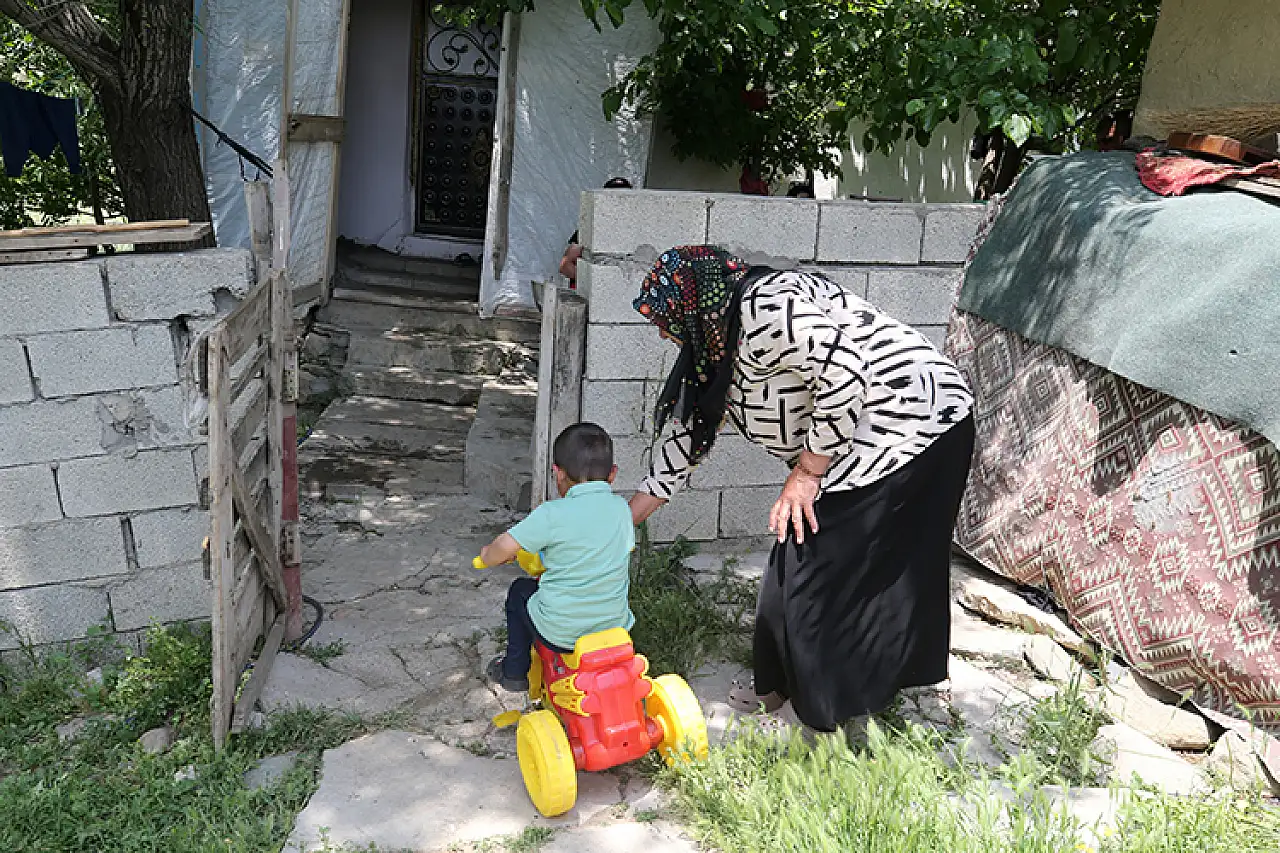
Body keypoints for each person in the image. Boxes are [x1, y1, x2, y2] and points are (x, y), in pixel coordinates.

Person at [628, 246, 975, 732]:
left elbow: (846, 372)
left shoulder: (765, 306)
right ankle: (778, 687)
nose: (664, 333)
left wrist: (807, 474)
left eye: (666, 320)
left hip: (912, 421)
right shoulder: (716, 342)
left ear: (695, 302)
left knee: (820, 573)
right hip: (855, 437)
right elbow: (692, 437)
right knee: (788, 565)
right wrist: (620, 522)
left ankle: (814, 716)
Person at [479, 422, 636, 692]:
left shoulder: (550, 514)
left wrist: (489, 555)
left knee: (519, 592)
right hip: (615, 626)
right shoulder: (622, 509)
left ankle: (514, 671)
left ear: (557, 473)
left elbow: (503, 547)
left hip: (562, 632)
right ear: (613, 474)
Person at [560, 177, 633, 287]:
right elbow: (565, 266)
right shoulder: (590, 228)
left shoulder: (634, 231)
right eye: (614, 198)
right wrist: (594, 284)